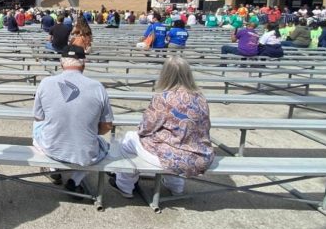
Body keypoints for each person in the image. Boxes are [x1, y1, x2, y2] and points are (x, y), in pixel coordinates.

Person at [110, 57, 214, 197]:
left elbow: (146, 127)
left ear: (165, 74)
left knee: (129, 138)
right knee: (174, 143)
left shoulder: (164, 97)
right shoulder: (201, 98)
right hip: (201, 158)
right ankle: (176, 186)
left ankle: (124, 185)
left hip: (176, 159)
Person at [33, 45, 113, 194]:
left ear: (61, 63)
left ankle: (52, 168)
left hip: (52, 149)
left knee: (37, 124)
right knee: (97, 144)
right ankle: (75, 180)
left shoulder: (45, 83)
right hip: (86, 154)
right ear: (84, 63)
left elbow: (39, 117)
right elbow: (107, 126)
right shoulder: (98, 87)